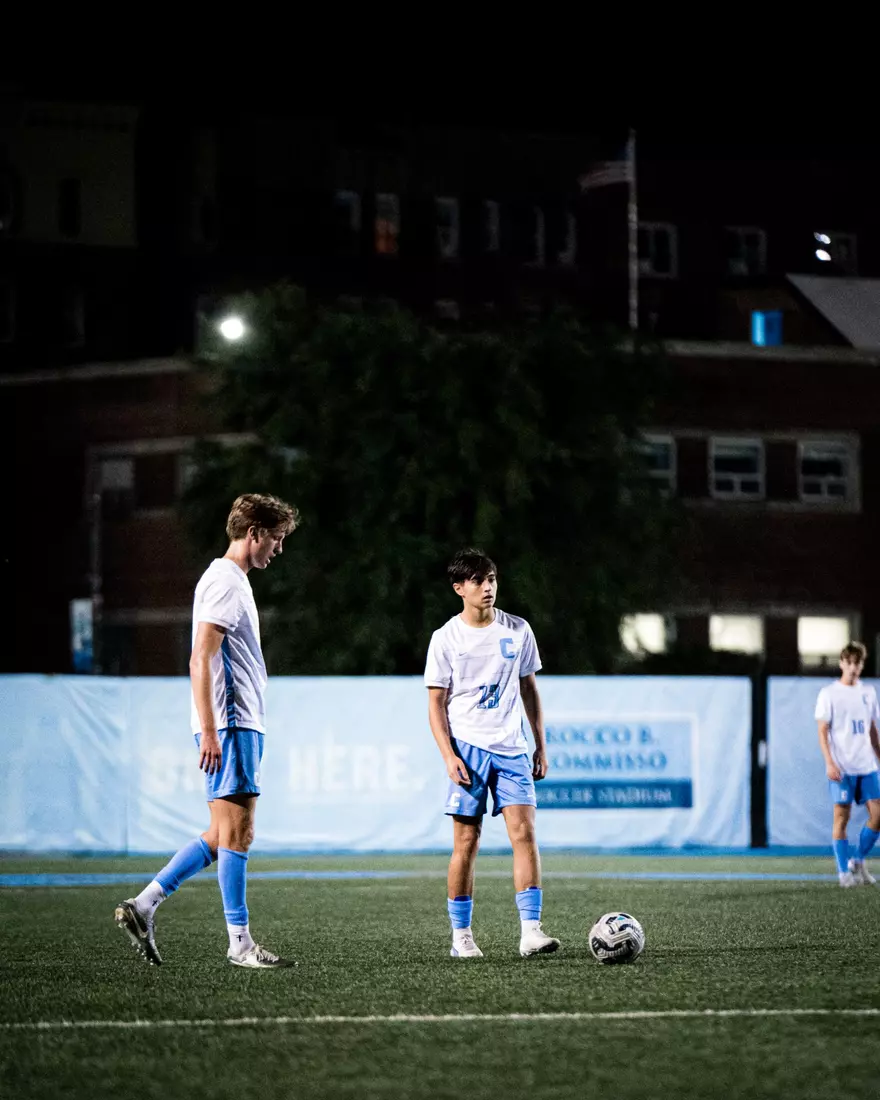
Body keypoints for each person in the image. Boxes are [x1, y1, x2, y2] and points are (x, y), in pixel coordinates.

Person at [115, 493, 299, 966]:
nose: (279, 550)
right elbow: (201, 656)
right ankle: (240, 944)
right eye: (276, 539)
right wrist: (213, 730)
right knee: (239, 832)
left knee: (223, 834)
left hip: (239, 724)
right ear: (254, 533)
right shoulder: (225, 582)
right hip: (232, 724)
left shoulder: (231, 580)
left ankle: (145, 904)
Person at [424, 547, 560, 958]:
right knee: (467, 841)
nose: (488, 588)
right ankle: (461, 938)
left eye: (492, 580)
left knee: (525, 834)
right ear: (459, 588)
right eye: (479, 581)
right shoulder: (445, 638)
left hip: (512, 749)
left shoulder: (517, 630)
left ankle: (531, 931)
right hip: (467, 748)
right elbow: (435, 704)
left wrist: (540, 743)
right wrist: (449, 756)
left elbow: (529, 689)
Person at [815, 641, 880, 887]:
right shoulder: (829, 694)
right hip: (842, 767)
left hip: (866, 765)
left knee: (878, 815)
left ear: (862, 665)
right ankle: (843, 872)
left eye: (858, 663)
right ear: (842, 663)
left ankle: (858, 860)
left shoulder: (869, 692)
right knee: (841, 818)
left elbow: (872, 731)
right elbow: (822, 732)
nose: (853, 667)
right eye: (849, 662)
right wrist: (830, 763)